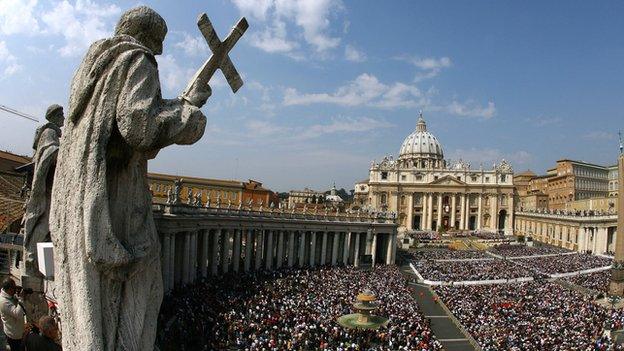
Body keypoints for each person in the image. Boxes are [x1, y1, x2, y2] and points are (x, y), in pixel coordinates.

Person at [49, 6, 209, 351]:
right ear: (149, 38)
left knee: (87, 300)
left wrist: (181, 101)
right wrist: (190, 120)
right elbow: (139, 127)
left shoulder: (96, 66)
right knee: (145, 291)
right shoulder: (138, 59)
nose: (160, 52)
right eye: (159, 44)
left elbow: (123, 128)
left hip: (78, 202)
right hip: (115, 206)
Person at [0, 278, 26, 351]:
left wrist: (17, 296)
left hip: (16, 330)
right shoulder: (3, 302)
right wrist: (21, 298)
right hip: (14, 335)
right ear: (8, 289)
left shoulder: (7, 295)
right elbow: (18, 314)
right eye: (13, 288)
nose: (15, 290)